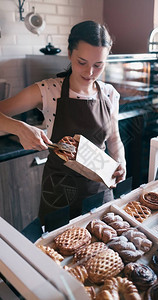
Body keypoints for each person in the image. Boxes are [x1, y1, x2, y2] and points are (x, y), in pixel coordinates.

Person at [0, 20, 126, 223]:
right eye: (82, 62)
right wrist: (19, 128)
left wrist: (120, 160)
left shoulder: (110, 94)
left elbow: (114, 139)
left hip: (99, 192)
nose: (90, 72)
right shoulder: (48, 90)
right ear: (69, 54)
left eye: (98, 65)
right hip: (59, 194)